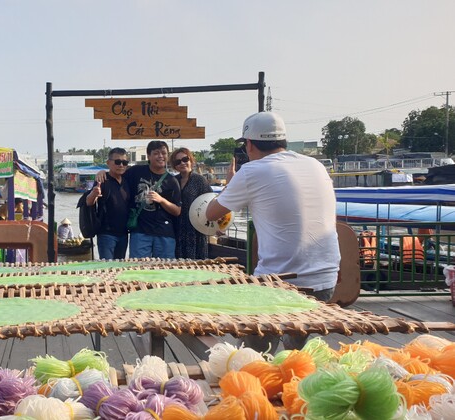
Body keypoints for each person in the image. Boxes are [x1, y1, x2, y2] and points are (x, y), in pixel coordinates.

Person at [205, 111, 340, 351]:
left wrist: (229, 184)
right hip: (325, 281)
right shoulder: (315, 164)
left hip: (278, 282)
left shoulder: (251, 172)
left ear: (249, 144)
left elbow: (211, 213)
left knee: (253, 356)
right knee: (294, 354)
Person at [100, 141, 181, 259]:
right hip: (140, 232)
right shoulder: (136, 171)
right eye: (156, 153)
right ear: (148, 156)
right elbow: (117, 173)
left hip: (165, 233)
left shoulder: (172, 181)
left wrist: (161, 200)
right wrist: (103, 172)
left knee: (165, 271)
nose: (161, 156)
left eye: (164, 153)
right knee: (138, 269)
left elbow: (177, 211)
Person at [85, 147, 131, 259]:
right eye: (117, 162)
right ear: (108, 163)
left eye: (124, 162)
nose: (121, 165)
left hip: (124, 233)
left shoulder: (127, 180)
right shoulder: (102, 179)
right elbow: (88, 201)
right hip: (106, 233)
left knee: (120, 267)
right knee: (107, 266)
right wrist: (94, 193)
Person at [171, 147, 213, 260]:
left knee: (195, 265)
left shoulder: (199, 180)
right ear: (174, 165)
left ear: (191, 160)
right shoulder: (173, 180)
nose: (182, 163)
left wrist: (216, 225)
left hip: (195, 230)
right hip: (176, 229)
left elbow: (211, 202)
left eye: (185, 159)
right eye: (178, 161)